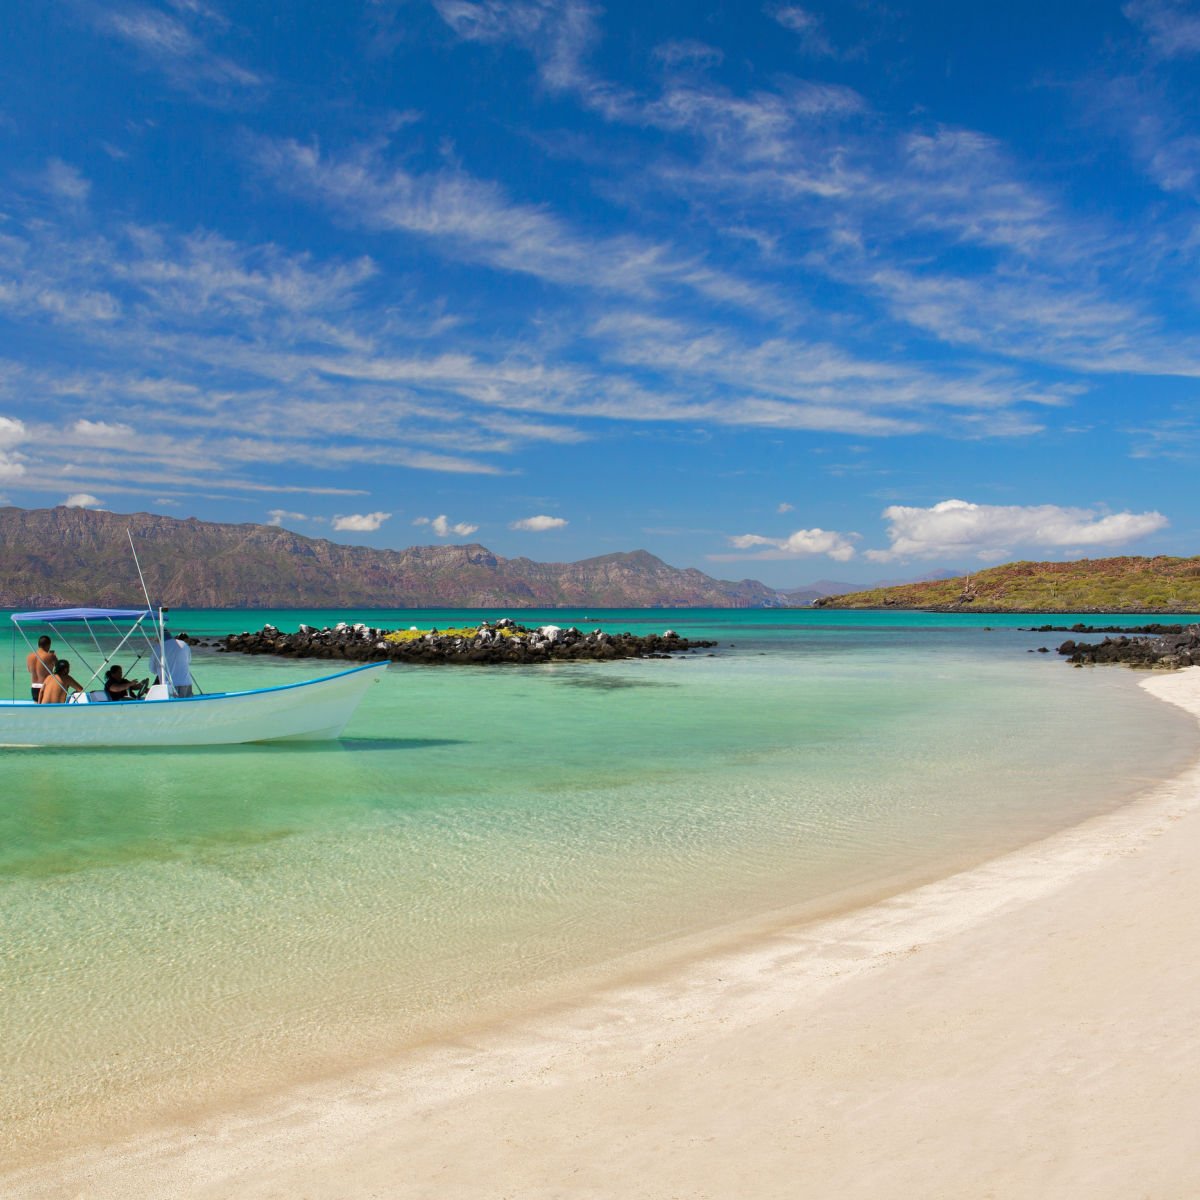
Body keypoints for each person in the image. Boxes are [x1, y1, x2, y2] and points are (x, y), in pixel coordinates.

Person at [152, 632, 194, 697]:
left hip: (168, 686)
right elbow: (188, 661)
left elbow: (153, 670)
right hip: (186, 682)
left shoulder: (158, 648)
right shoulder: (184, 645)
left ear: (159, 639)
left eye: (157, 641)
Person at [26, 635, 56, 701]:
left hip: (34, 687)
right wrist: (54, 657)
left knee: (37, 707)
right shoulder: (50, 656)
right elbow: (59, 669)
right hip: (45, 686)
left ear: (38, 644)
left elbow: (29, 670)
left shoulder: (30, 656)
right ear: (48, 645)